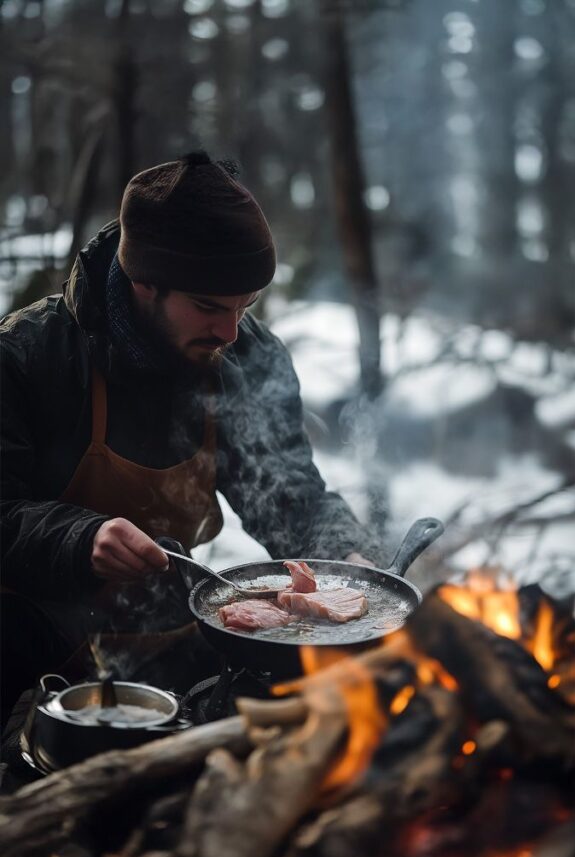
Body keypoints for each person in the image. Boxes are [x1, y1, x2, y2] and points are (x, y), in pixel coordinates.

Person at [0, 150, 382, 732]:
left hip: (171, 643)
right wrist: (82, 539)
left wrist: (346, 558)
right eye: (208, 308)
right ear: (143, 282)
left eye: (244, 307)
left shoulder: (246, 357)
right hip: (26, 648)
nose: (229, 332)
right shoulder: (28, 356)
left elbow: (287, 494)